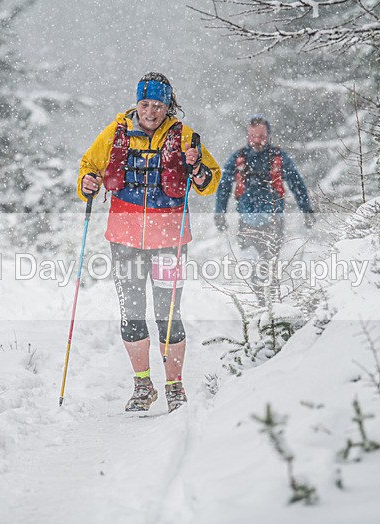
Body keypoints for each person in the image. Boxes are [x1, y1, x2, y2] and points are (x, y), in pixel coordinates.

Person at [77, 72, 220, 413]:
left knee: (168, 312)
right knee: (132, 313)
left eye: (158, 105)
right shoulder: (116, 134)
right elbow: (88, 166)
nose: (151, 112)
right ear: (136, 104)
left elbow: (209, 181)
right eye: (145, 104)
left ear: (168, 106)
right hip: (124, 238)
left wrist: (197, 169)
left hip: (169, 239)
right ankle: (143, 385)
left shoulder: (185, 137)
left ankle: (174, 386)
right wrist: (86, 182)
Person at [214, 114, 314, 302]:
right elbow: (224, 187)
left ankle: (272, 307)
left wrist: (306, 210)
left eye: (261, 136)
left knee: (270, 267)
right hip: (247, 224)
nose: (257, 140)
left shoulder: (278, 157)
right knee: (254, 268)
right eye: (253, 136)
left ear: (268, 136)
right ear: (247, 136)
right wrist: (219, 213)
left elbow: (296, 184)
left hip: (273, 223)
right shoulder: (239, 158)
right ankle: (263, 305)